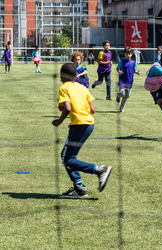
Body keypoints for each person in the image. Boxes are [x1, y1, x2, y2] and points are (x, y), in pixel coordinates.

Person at [52, 62, 112, 197]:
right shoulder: (82, 88)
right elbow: (93, 109)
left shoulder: (64, 88)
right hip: (89, 124)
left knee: (67, 159)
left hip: (79, 125)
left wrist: (59, 121)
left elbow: (67, 108)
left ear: (62, 75)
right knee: (67, 156)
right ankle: (79, 188)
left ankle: (99, 170)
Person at [116, 47, 140, 113]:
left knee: (127, 95)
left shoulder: (133, 62)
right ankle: (118, 96)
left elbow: (135, 70)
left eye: (129, 54)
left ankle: (121, 107)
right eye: (126, 54)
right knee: (122, 93)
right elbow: (117, 68)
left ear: (131, 54)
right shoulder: (122, 61)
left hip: (129, 81)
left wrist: (137, 72)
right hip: (122, 81)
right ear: (124, 54)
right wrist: (119, 71)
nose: (128, 55)